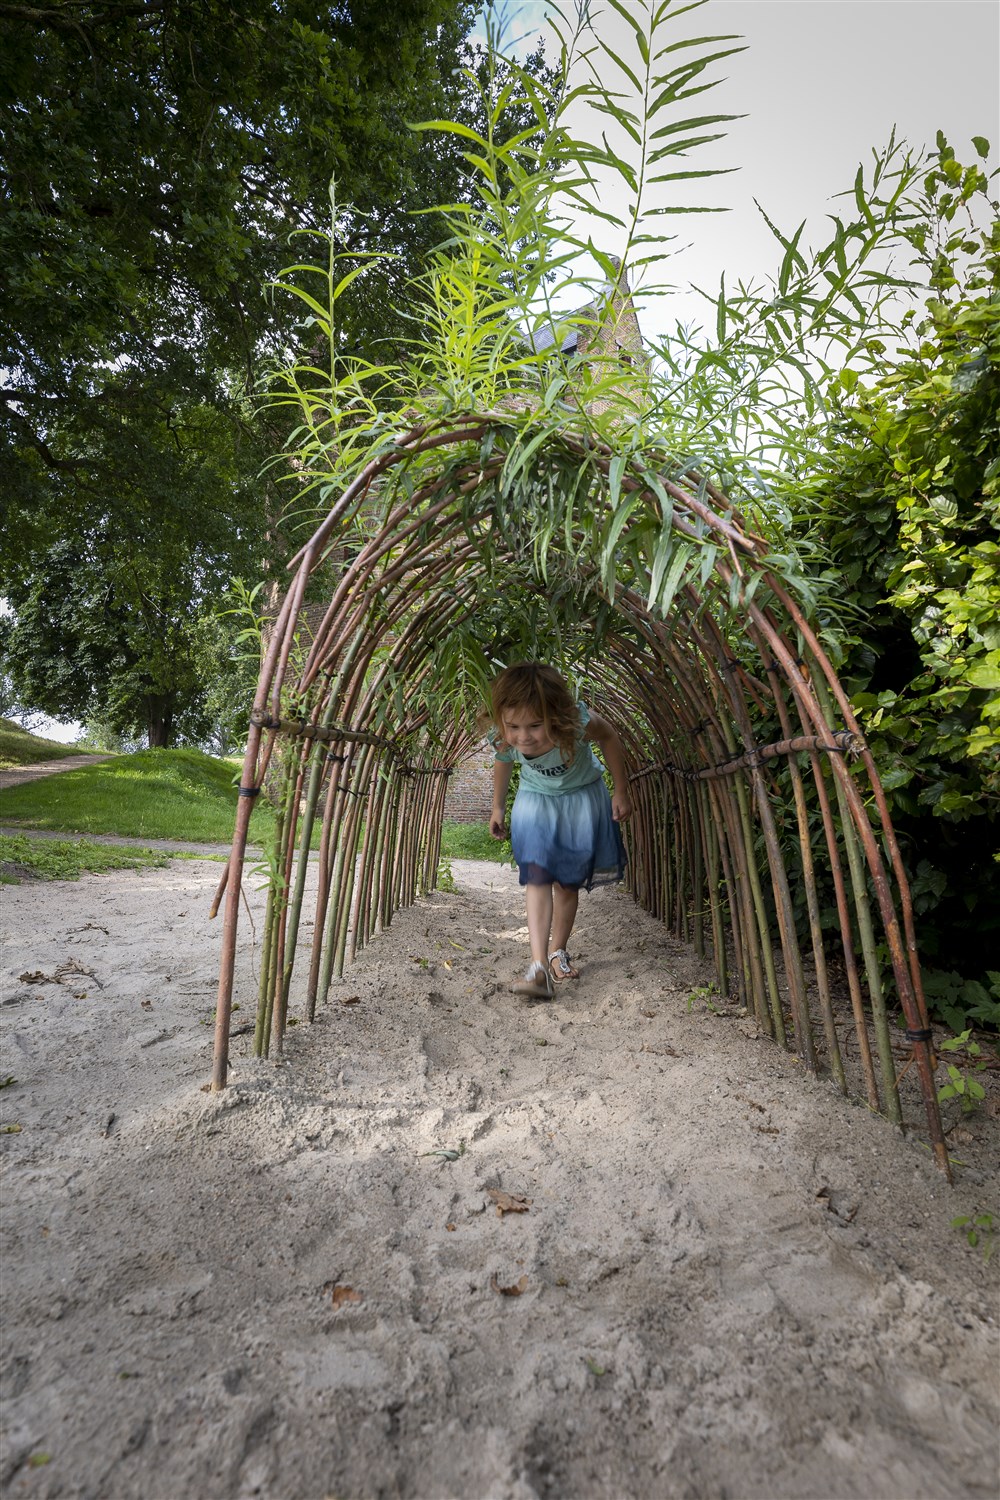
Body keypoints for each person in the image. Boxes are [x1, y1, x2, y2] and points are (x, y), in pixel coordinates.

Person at [486, 662, 632, 999]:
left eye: (535, 726)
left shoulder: (577, 722)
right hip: (535, 799)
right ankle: (538, 967)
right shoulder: (504, 735)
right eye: (514, 726)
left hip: (581, 798)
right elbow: (503, 761)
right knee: (537, 876)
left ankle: (557, 952)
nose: (523, 736)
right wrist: (497, 807)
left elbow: (610, 737)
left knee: (566, 882)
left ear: (555, 715)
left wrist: (621, 791)